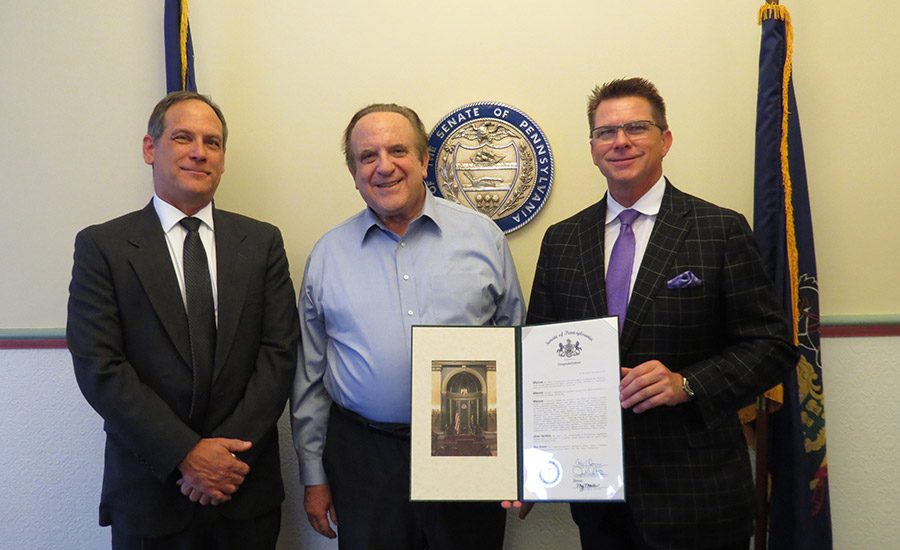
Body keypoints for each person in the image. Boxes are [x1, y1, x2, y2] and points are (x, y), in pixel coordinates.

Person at [524, 78, 797, 549]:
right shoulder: (562, 240)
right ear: (592, 149)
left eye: (636, 128)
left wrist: (687, 383)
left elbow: (772, 346)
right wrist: (525, 463)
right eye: (605, 132)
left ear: (665, 139)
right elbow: (541, 358)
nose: (620, 141)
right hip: (598, 497)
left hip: (698, 493)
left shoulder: (719, 229)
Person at [67, 91, 300, 549]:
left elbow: (279, 353)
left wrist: (224, 459)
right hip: (149, 493)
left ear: (223, 159)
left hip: (242, 487)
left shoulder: (261, 243)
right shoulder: (103, 247)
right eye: (182, 138)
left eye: (212, 142)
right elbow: (100, 366)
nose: (199, 151)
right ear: (150, 149)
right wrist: (186, 454)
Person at [291, 103, 526, 550]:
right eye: (367, 156)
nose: (384, 166)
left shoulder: (483, 238)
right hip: (365, 458)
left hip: (468, 447)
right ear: (354, 172)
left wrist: (521, 459)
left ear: (423, 159)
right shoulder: (327, 256)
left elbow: (517, 353)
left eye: (398, 150)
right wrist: (313, 474)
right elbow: (310, 377)